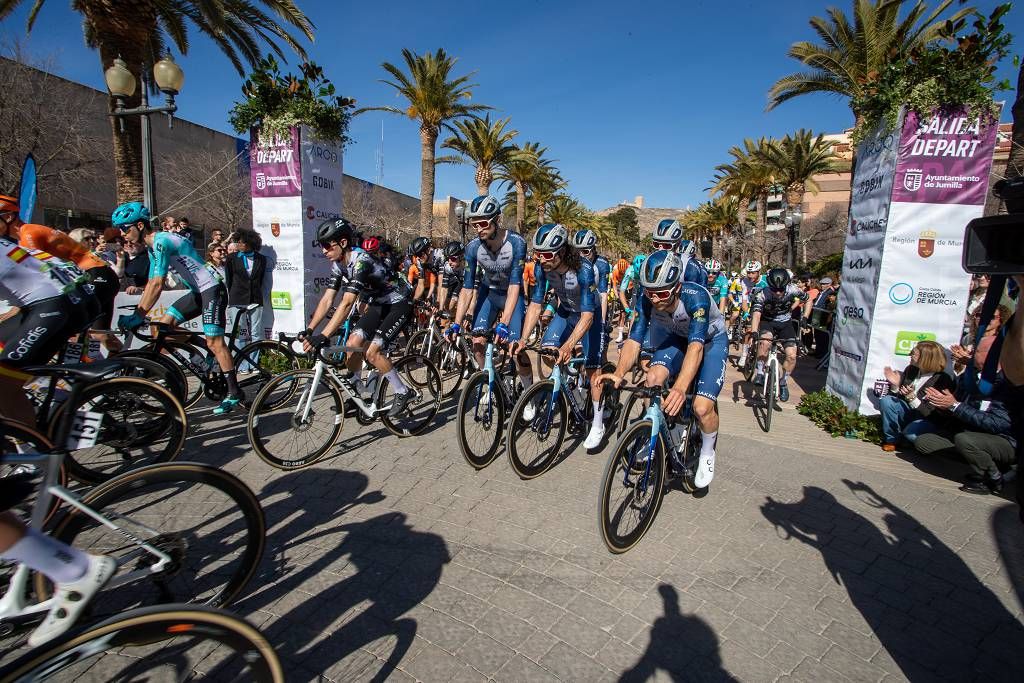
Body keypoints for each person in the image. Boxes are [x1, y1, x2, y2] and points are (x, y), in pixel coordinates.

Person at [598, 250, 728, 489]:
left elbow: (696, 348)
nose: (655, 299)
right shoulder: (648, 298)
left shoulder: (695, 297)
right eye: (650, 292)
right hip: (678, 339)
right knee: (653, 377)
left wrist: (679, 388)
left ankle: (708, 452)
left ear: (677, 286)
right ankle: (655, 432)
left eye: (662, 293)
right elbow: (634, 340)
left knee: (701, 407)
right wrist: (619, 373)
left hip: (709, 343)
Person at [112, 201, 242, 415]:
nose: (122, 234)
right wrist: (138, 314)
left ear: (140, 226)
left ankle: (234, 392)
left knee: (215, 342)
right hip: (197, 292)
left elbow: (157, 284)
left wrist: (138, 315)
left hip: (211, 290)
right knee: (161, 328)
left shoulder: (161, 241)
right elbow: (153, 281)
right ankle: (204, 349)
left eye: (125, 228)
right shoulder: (153, 248)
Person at [302, 223, 415, 417]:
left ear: (343, 242)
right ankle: (357, 392)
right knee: (352, 342)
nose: (324, 250)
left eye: (328, 246)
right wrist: (310, 329)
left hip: (399, 303)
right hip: (379, 304)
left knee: (372, 352)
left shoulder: (361, 261)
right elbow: (328, 298)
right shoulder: (338, 265)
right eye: (321, 246)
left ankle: (402, 391)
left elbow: (346, 303)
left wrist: (324, 335)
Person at [514, 224, 603, 448]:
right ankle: (571, 385)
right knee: (547, 351)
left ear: (562, 252)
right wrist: (524, 339)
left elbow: (587, 317)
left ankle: (598, 424)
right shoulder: (540, 268)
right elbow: (535, 304)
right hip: (565, 311)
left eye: (546, 255)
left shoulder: (584, 270)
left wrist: (569, 345)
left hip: (588, 315)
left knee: (592, 370)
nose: (541, 259)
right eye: (537, 254)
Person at [2, 198, 122, 354]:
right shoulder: (28, 232)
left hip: (93, 274)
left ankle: (79, 372)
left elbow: (37, 273)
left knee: (68, 327)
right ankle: (130, 365)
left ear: (9, 217)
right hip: (101, 275)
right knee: (101, 334)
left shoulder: (28, 233)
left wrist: (13, 311)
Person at [447, 195, 528, 375]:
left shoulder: (516, 243)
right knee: (477, 343)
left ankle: (528, 394)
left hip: (511, 294)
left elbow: (515, 285)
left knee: (515, 349)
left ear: (497, 219)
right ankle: (489, 381)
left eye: (483, 223)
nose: (478, 229)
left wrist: (504, 322)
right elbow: (467, 289)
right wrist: (456, 323)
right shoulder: (473, 248)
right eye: (474, 224)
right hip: (489, 294)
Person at [878, 340, 955, 451]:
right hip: (909, 413)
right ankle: (892, 440)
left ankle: (911, 440)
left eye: (914, 353)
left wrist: (912, 399)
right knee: (887, 401)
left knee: (911, 434)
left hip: (927, 419)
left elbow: (933, 415)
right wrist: (895, 387)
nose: (910, 355)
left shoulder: (942, 380)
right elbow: (897, 401)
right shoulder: (911, 370)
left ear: (926, 358)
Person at [749, 267, 808, 402]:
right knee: (765, 342)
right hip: (768, 322)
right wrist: (753, 332)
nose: (778, 293)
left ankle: (783, 382)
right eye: (774, 290)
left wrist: (805, 317)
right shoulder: (762, 294)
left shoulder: (793, 290)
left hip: (785, 323)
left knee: (792, 355)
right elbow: (757, 314)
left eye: (781, 290)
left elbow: (808, 299)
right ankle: (759, 372)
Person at [224, 229, 267, 373]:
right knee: (241, 334)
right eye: (238, 241)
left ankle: (254, 364)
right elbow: (229, 279)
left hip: (255, 299)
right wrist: (232, 295)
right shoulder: (232, 258)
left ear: (250, 243)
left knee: (255, 333)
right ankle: (242, 365)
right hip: (237, 299)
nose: (239, 244)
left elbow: (260, 280)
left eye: (242, 242)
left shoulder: (261, 259)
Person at [572, 229, 610, 329]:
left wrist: (602, 321)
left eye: (585, 251)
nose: (581, 255)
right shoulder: (571, 262)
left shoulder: (602, 264)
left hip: (593, 303)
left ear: (593, 249)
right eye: (577, 251)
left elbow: (603, 295)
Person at [407, 236, 437, 305]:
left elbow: (433, 284)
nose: (417, 258)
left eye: (419, 255)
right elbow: (417, 284)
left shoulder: (438, 257)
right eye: (415, 256)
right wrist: (413, 300)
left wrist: (428, 297)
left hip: (432, 286)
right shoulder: (416, 266)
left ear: (427, 251)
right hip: (424, 287)